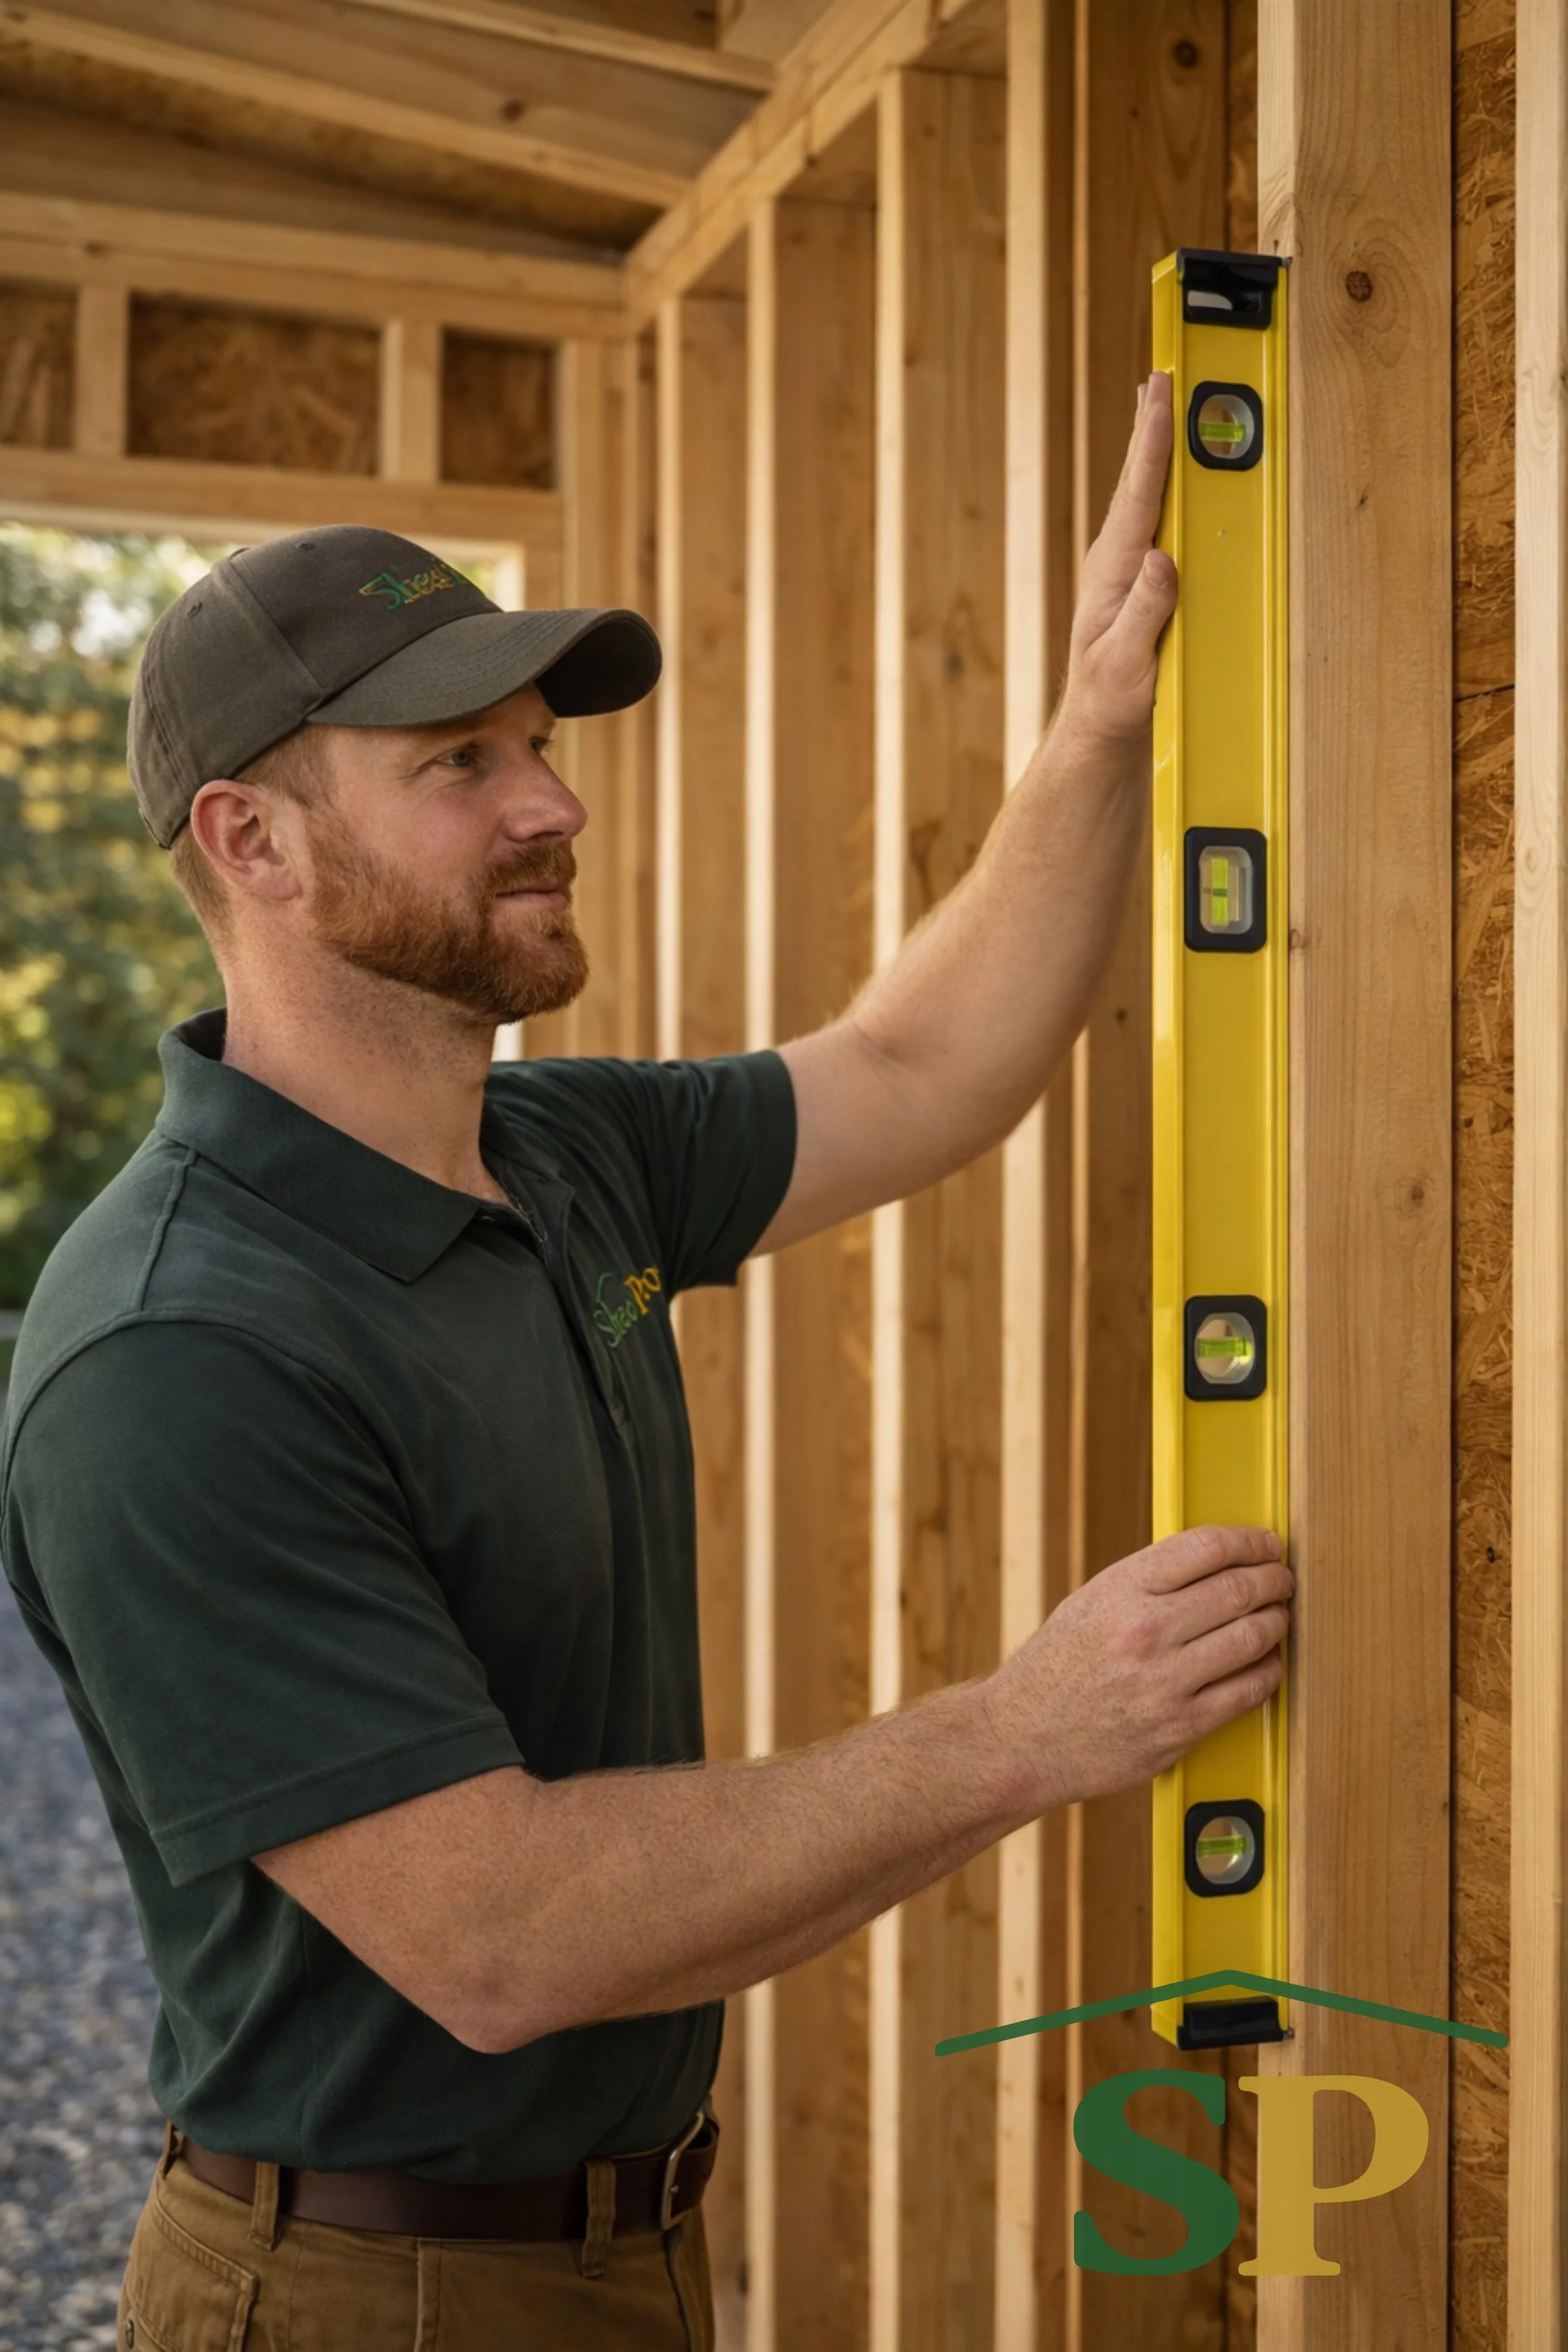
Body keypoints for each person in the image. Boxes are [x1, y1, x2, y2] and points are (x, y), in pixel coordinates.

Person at [1, 370, 1290, 2351]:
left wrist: (1097, 726)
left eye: (538, 742)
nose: (553, 801)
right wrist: (1030, 1726)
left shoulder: (555, 1151)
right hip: (370, 2294)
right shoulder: (177, 1350)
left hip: (612, 2250)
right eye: (459, 763)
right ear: (249, 837)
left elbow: (918, 1067)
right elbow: (499, 1933)